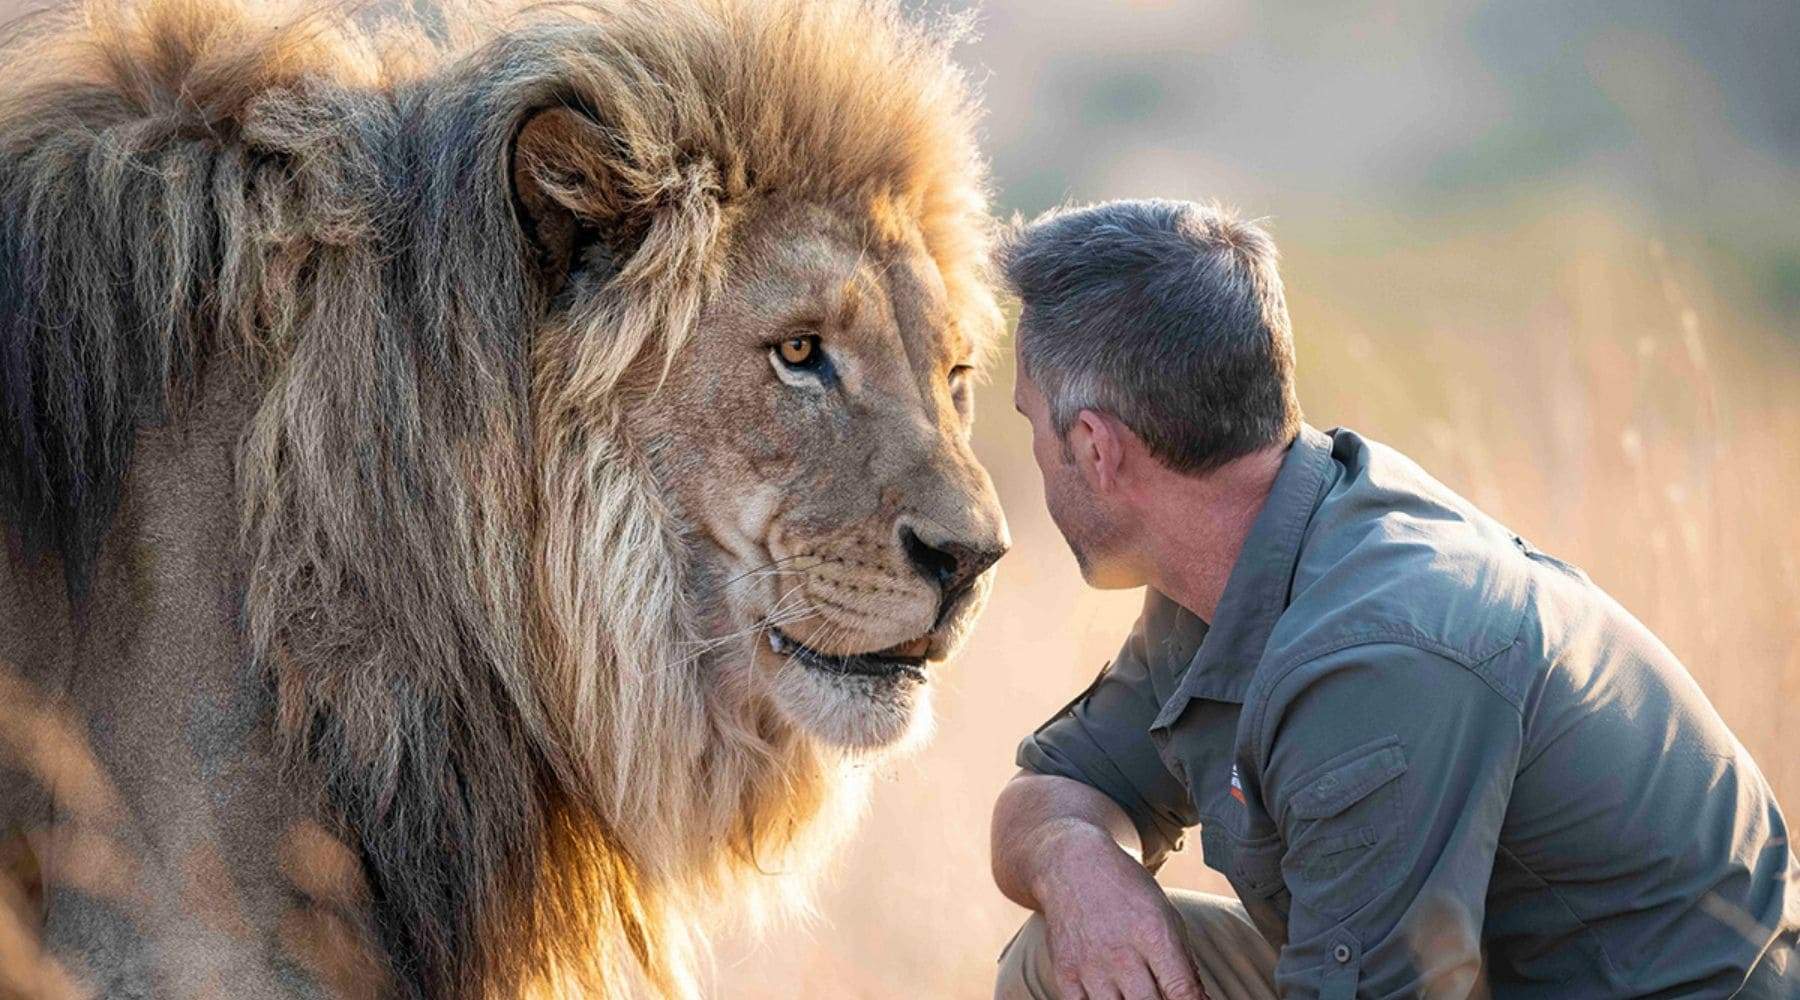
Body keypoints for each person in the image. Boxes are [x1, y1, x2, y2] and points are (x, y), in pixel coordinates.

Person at [987, 199, 1799, 999]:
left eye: (1032, 425)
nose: (1030, 461)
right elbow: (1048, 792)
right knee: (1056, 958)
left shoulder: (1374, 660)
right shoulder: (1230, 568)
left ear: (1096, 449)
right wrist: (1076, 862)